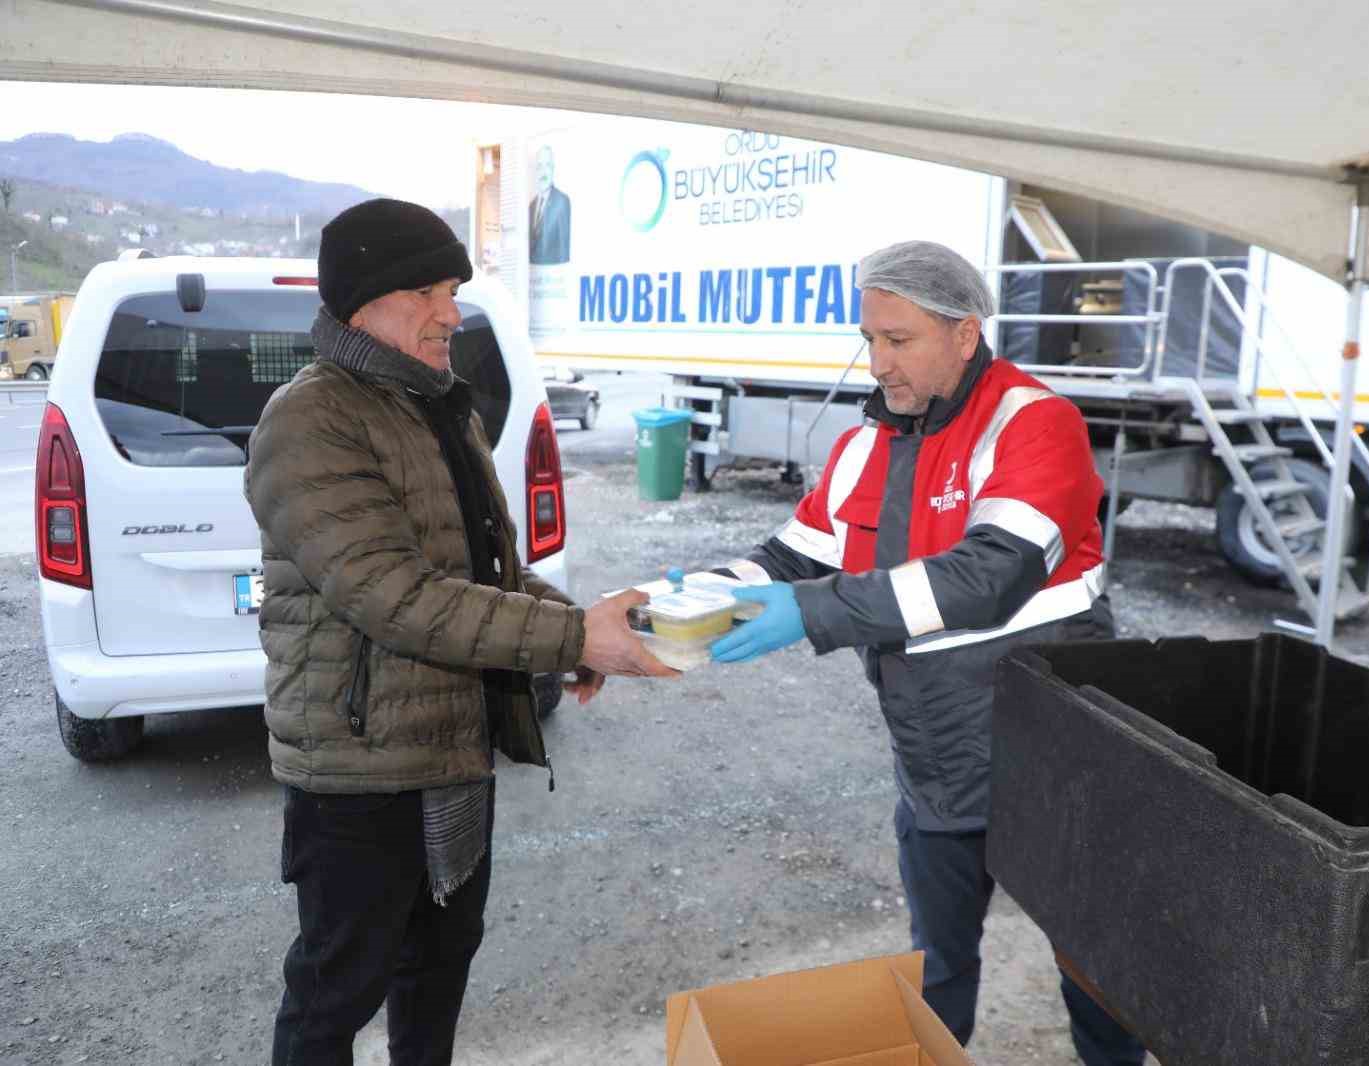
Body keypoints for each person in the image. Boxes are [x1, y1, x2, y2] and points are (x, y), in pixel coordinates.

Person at [246, 198, 673, 1066]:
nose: (452, 312)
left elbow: (484, 573)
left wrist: (573, 625)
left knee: (438, 978)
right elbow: (395, 597)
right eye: (429, 291)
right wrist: (571, 641)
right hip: (360, 774)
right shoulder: (311, 420)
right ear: (364, 304)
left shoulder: (439, 407)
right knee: (334, 997)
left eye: (453, 290)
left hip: (450, 754)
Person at [707, 240, 1145, 1064]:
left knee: (1096, 971)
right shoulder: (865, 445)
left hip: (1055, 758)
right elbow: (793, 557)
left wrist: (812, 613)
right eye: (868, 339)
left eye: (898, 340)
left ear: (965, 334)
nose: (877, 362)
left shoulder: (1035, 422)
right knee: (937, 968)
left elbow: (992, 575)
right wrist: (686, 601)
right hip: (938, 757)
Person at [528, 145, 572, 266]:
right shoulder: (531, 206)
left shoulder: (562, 202)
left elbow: (564, 250)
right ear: (535, 171)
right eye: (539, 167)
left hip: (554, 278)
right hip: (535, 278)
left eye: (547, 165)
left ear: (553, 168)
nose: (543, 172)